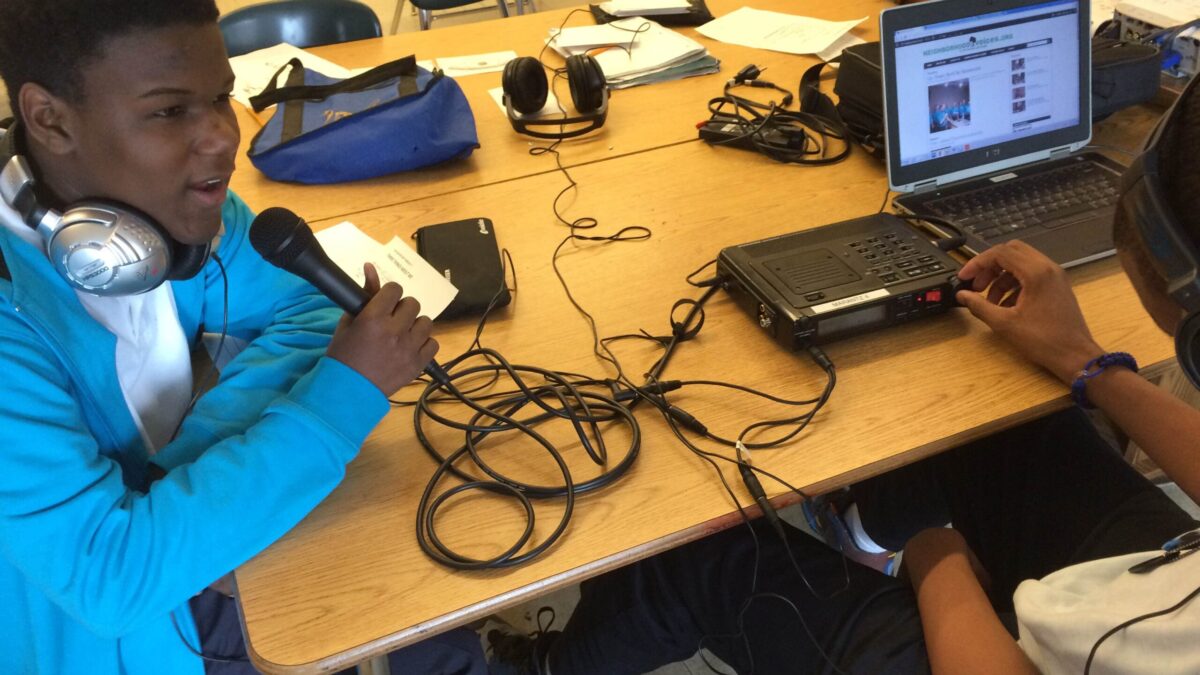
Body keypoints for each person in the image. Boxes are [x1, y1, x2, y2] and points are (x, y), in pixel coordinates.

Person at [489, 75, 1200, 675]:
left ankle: (548, 665)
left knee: (701, 559)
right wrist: (1085, 363)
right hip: (1166, 583)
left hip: (1088, 641)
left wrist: (936, 549)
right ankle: (873, 517)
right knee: (1006, 414)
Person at [0, 2, 485, 673]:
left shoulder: (167, 203)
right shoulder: (12, 327)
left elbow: (311, 312)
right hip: (142, 634)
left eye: (222, 97)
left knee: (435, 592)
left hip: (196, 540)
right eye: (170, 111)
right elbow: (108, 578)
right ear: (50, 119)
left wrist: (179, 477)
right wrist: (338, 397)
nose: (222, 138)